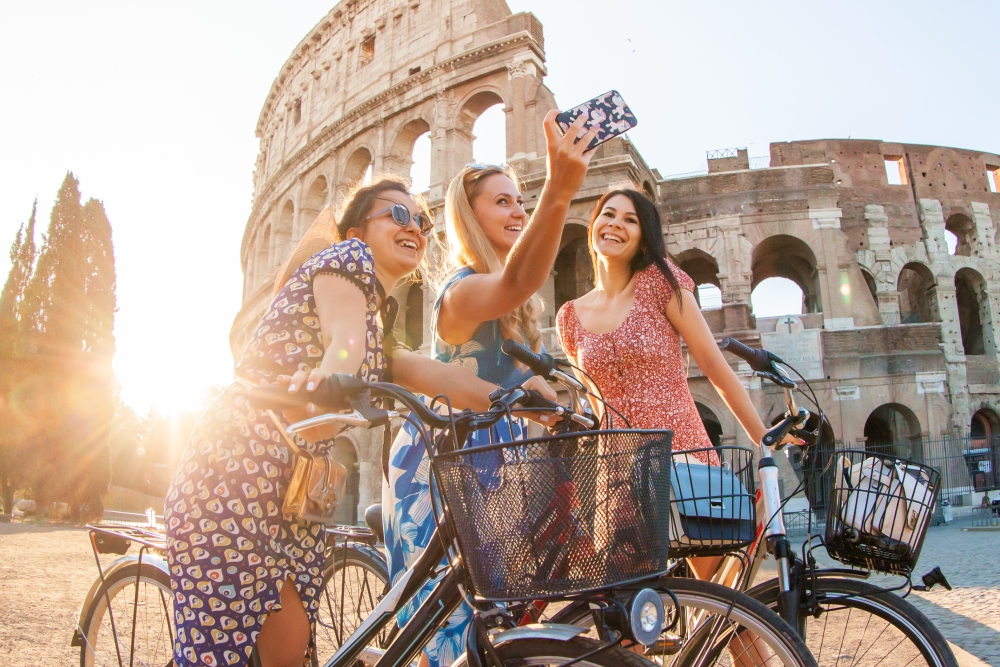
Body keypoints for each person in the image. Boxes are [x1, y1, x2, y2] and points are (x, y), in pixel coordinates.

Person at [164, 175, 554, 667]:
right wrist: (336, 377)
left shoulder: (377, 316)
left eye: (422, 219)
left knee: (287, 648)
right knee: (217, 648)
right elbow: (343, 345)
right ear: (355, 235)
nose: (414, 225)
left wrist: (510, 398)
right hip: (234, 469)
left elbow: (430, 373)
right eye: (396, 214)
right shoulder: (346, 261)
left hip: (296, 488)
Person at [383, 110, 599, 667]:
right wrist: (559, 189)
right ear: (470, 215)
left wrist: (572, 415)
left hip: (497, 462)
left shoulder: (514, 317)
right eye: (502, 202)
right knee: (451, 618)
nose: (517, 210)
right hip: (444, 459)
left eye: (519, 200)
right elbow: (516, 280)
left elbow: (531, 384)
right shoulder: (459, 293)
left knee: (495, 620)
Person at [555, 186, 800, 581]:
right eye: (609, 214)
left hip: (681, 455)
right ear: (593, 225)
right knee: (626, 609)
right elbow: (597, 404)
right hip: (617, 471)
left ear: (643, 237)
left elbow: (717, 369)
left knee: (723, 602)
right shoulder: (569, 317)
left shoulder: (661, 281)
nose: (616, 224)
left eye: (630, 220)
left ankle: (774, 646)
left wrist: (764, 436)